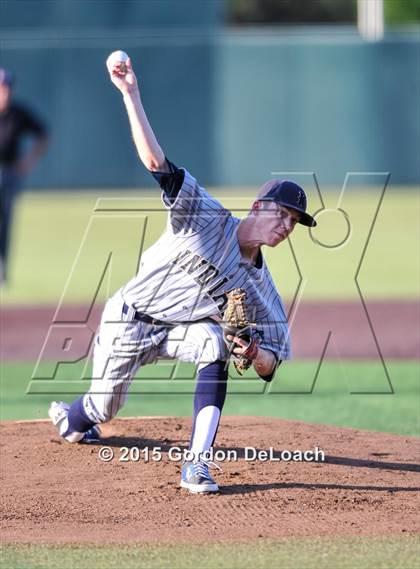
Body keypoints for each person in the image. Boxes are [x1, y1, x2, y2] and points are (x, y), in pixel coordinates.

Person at [49, 55, 317, 494]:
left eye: (294, 222)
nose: (287, 226)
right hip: (128, 319)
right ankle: (71, 419)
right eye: (284, 215)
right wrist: (130, 93)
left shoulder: (261, 290)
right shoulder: (204, 215)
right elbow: (157, 162)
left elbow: (271, 366)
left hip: (179, 333)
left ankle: (197, 465)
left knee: (215, 343)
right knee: (102, 408)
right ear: (257, 206)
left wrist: (251, 349)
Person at [0, 68, 49, 283]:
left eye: (7, 88)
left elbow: (43, 135)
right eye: (2, 88)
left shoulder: (18, 114)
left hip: (10, 173)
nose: (5, 92)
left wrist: (28, 162)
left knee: (5, 221)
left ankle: (2, 267)